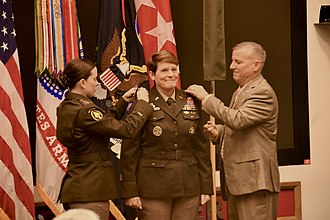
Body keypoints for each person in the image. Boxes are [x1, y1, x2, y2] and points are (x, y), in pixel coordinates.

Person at [186, 41, 280, 220]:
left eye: (238, 62)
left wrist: (207, 98)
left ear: (256, 65)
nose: (231, 66)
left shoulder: (262, 92)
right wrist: (219, 132)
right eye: (232, 61)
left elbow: (238, 120)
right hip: (239, 182)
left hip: (255, 183)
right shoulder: (241, 91)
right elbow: (245, 128)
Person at [120, 50, 213, 220]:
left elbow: (201, 147)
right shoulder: (142, 102)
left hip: (188, 183)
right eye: (164, 70)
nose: (170, 75)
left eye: (174, 69)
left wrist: (206, 186)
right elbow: (129, 151)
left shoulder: (190, 100)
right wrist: (130, 191)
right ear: (152, 75)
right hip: (153, 186)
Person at [56, 58, 153, 220]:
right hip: (90, 191)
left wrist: (122, 103)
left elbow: (99, 128)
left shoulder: (68, 105)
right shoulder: (85, 111)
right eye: (94, 79)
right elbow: (126, 130)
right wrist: (142, 105)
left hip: (81, 185)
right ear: (82, 83)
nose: (97, 83)